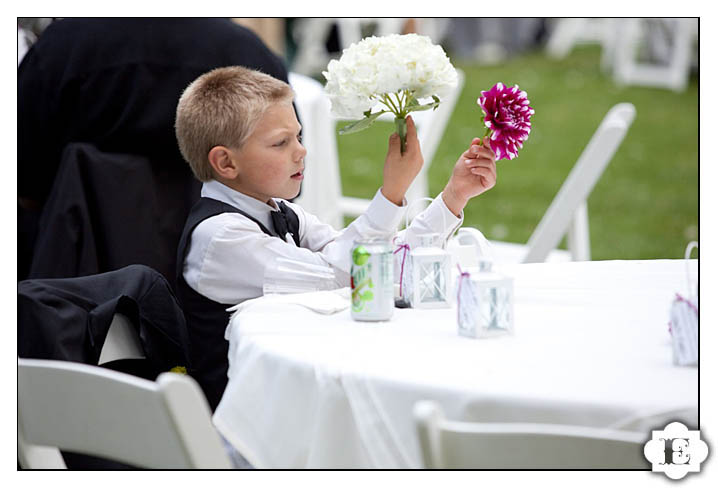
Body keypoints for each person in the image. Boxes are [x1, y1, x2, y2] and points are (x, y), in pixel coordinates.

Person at [174, 66, 497, 410]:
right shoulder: (222, 238)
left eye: (298, 137)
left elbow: (376, 265)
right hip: (248, 420)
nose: (301, 151)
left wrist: (453, 198)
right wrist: (391, 193)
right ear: (226, 162)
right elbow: (351, 276)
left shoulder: (281, 211)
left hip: (295, 393)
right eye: (281, 143)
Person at [17, 18, 290, 280]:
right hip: (218, 277)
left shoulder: (63, 47)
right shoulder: (245, 51)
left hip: (76, 280)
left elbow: (23, 173)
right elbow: (283, 171)